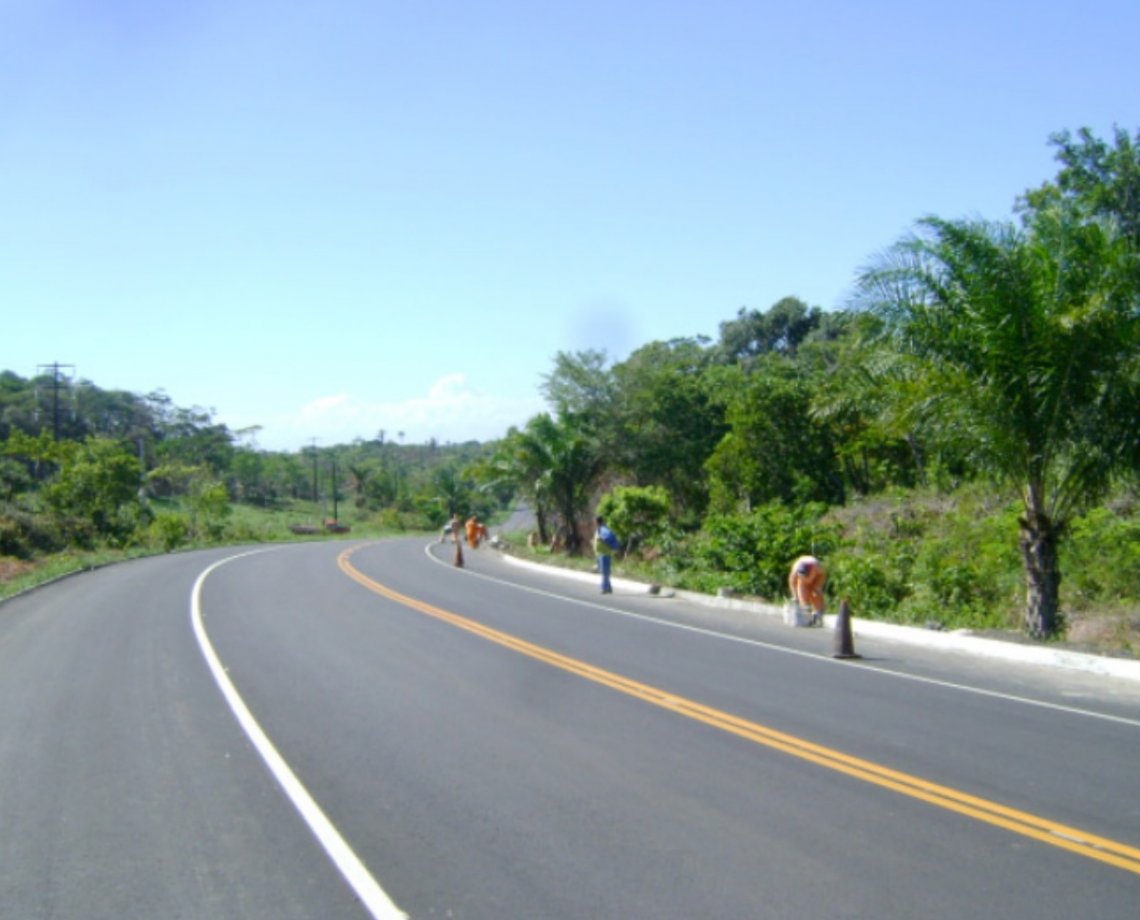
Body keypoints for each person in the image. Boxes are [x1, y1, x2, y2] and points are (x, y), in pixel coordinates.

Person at [788, 555, 827, 624]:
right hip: (804, 578)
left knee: (815, 593)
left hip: (817, 576)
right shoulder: (795, 570)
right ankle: (806, 613)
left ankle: (819, 612)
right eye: (801, 574)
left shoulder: (817, 569)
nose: (803, 576)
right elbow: (792, 582)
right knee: (802, 597)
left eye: (805, 574)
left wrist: (818, 587)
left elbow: (822, 576)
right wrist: (795, 596)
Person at [593, 515, 620, 594]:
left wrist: (602, 539)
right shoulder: (599, 530)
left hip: (604, 554)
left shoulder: (604, 530)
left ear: (597, 522)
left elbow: (608, 538)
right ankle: (609, 587)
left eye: (595, 521)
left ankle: (604, 588)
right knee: (604, 572)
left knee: (605, 572)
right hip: (599, 554)